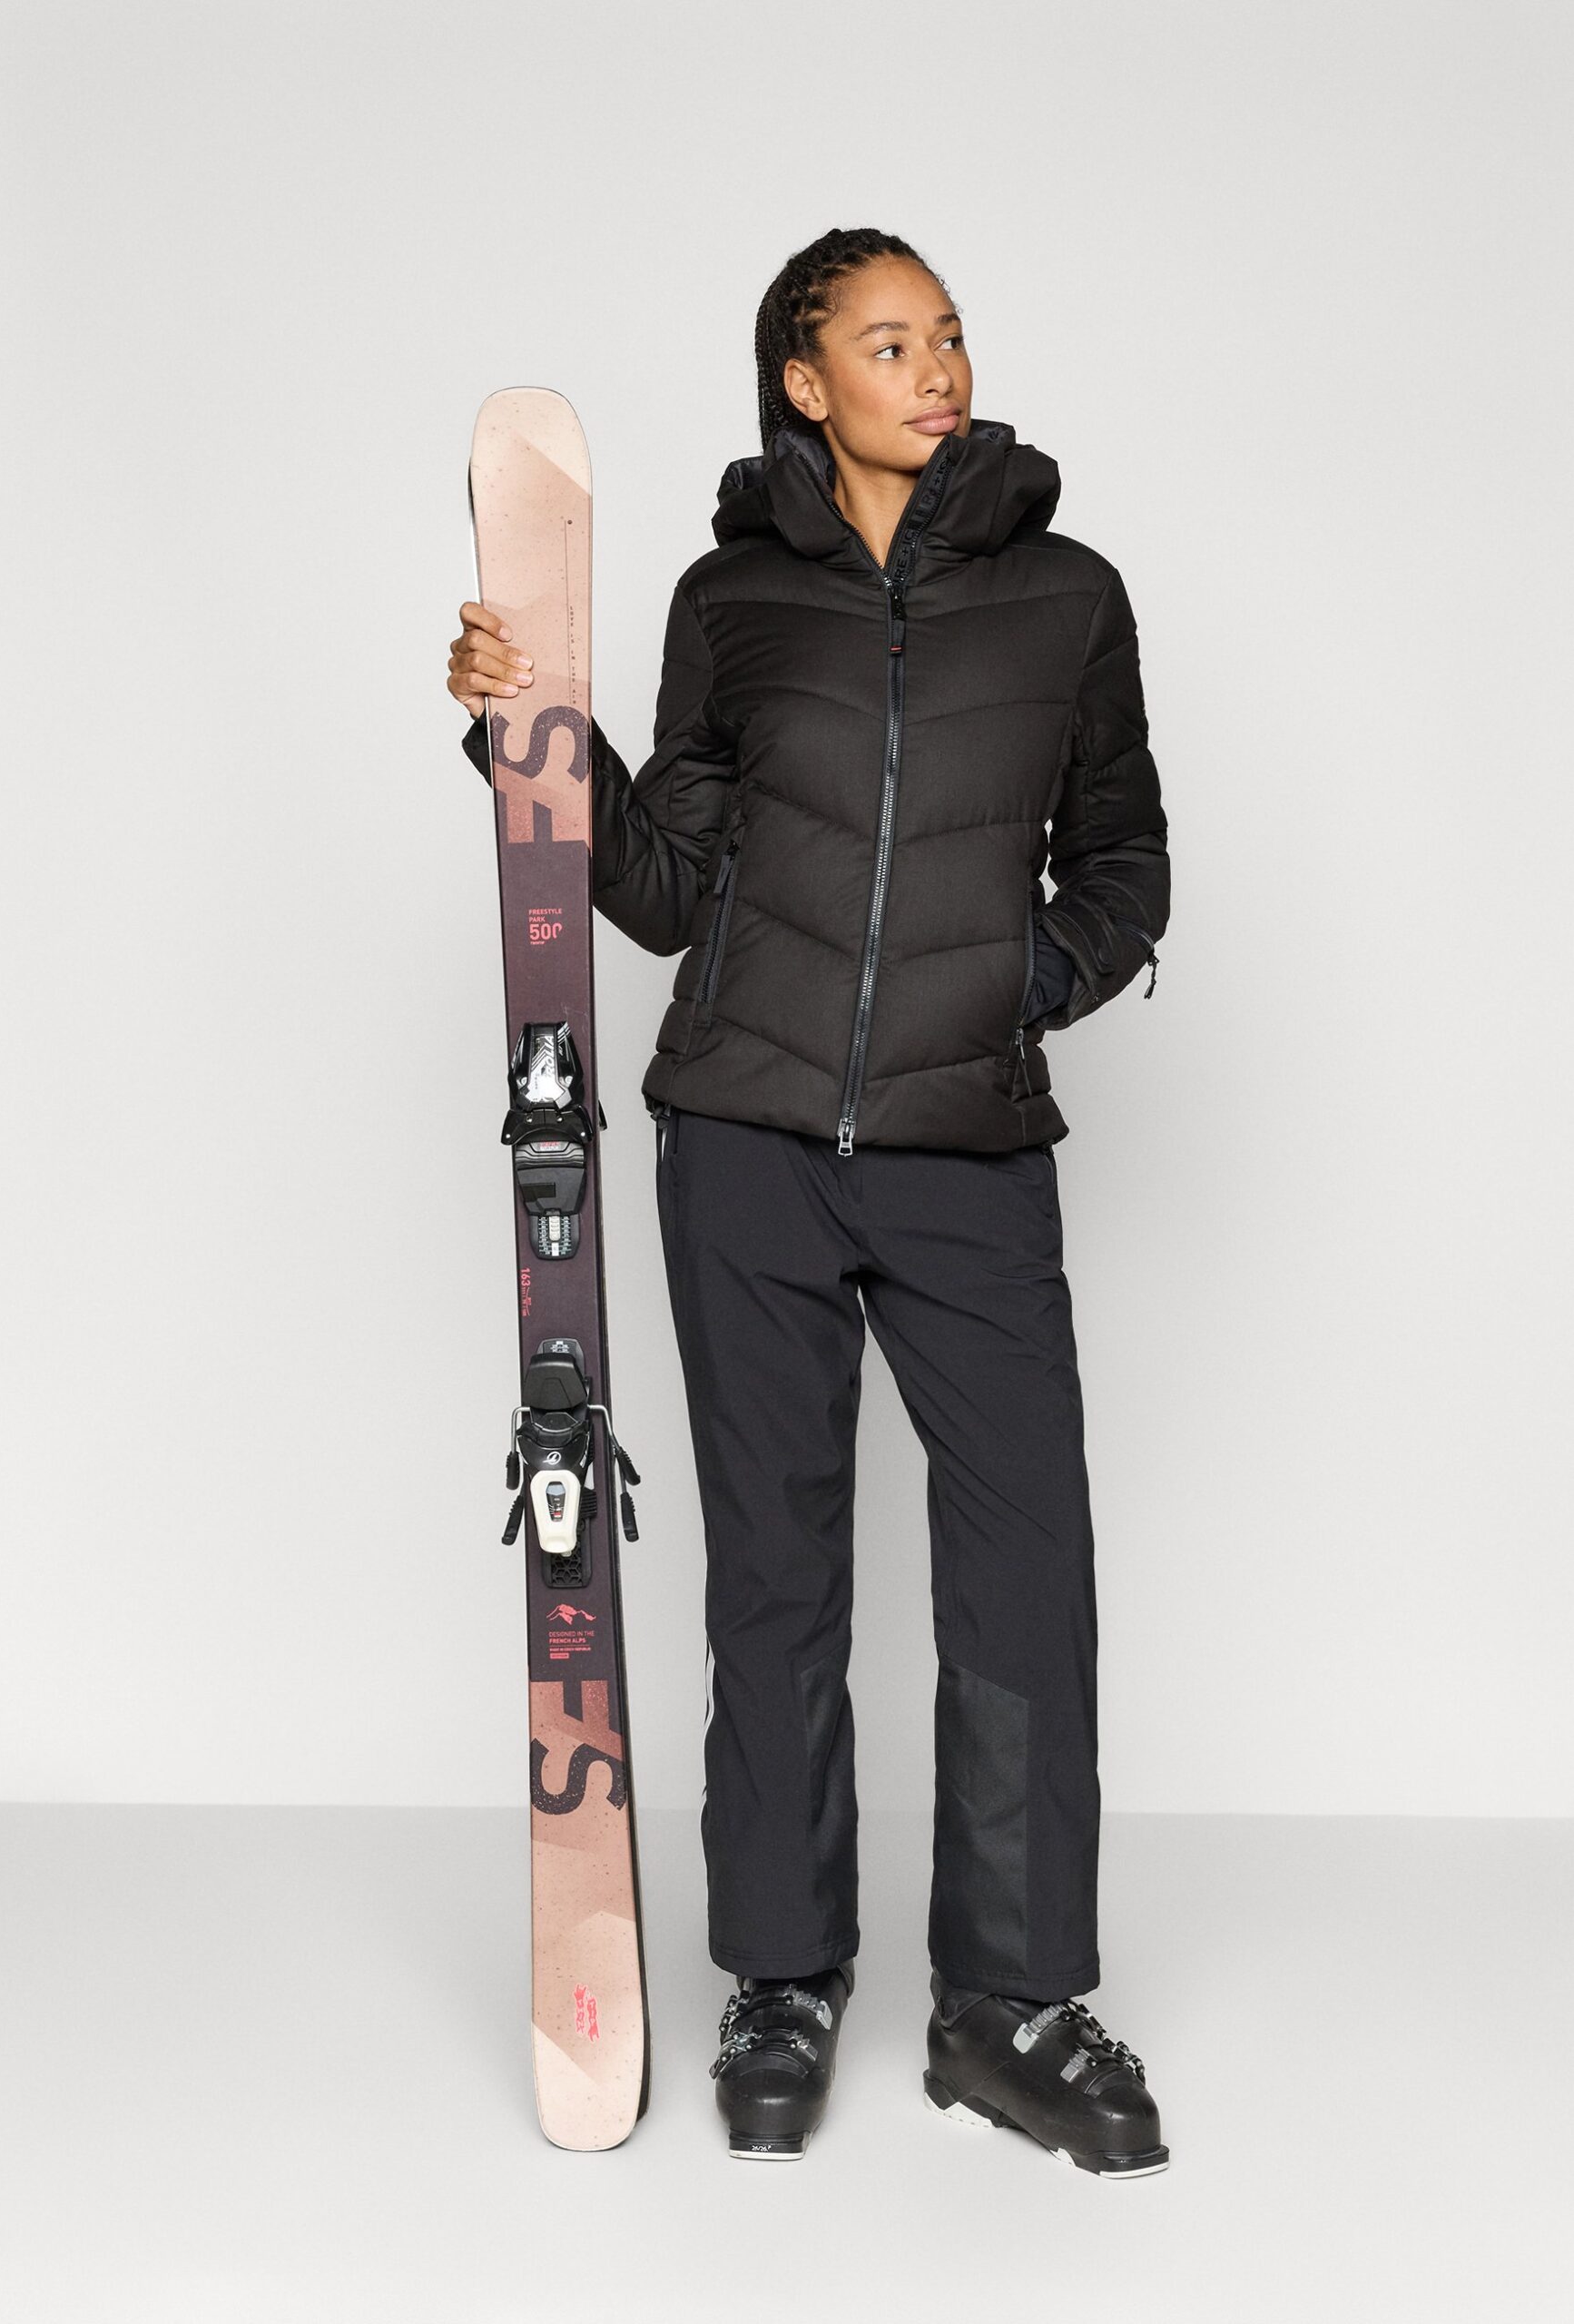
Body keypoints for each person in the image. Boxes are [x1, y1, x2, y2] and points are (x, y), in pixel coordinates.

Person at [447, 227, 1171, 2176]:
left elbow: (1123, 858)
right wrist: (532, 733)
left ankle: (1007, 2002)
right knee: (772, 1577)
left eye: (947, 338)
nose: (932, 369)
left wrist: (1009, 988)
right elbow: (665, 888)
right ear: (801, 378)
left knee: (1024, 1571)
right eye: (887, 341)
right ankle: (779, 1971)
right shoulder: (732, 599)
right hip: (745, 1144)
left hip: (967, 1154)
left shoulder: (1066, 596)